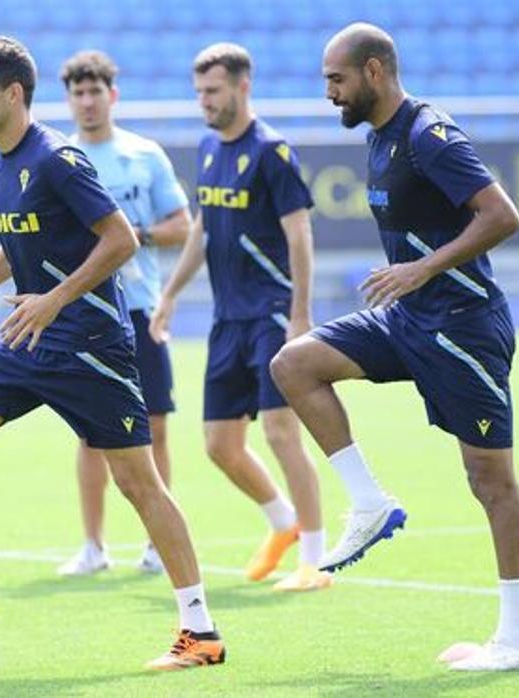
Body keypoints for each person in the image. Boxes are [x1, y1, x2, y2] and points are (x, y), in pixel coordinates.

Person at [0, 36, 225, 671]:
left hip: (88, 346)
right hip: (29, 341)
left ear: (13, 94)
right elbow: (14, 243)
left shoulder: (59, 159)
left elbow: (121, 241)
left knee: (138, 484)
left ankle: (199, 631)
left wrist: (56, 299)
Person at [270, 23, 519, 670]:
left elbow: (502, 214)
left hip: (463, 327)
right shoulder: (382, 138)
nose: (329, 93)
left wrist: (422, 269)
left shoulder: (427, 135)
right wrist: (413, 280)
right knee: (295, 363)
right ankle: (367, 501)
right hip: (410, 320)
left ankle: (515, 639)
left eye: (336, 80)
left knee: (490, 481)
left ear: (374, 72)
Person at [150, 42, 329, 592]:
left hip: (271, 314)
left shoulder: (272, 152)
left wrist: (300, 314)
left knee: (280, 432)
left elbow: (300, 234)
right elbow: (201, 230)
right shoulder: (208, 149)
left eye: (213, 90)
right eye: (199, 91)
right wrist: (171, 293)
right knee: (219, 446)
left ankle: (316, 561)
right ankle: (283, 525)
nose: (204, 100)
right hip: (228, 320)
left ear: (242, 87)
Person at [54, 49, 190, 577]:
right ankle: (93, 546)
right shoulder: (62, 159)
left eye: (95, 92)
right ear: (68, 100)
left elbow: (182, 225)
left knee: (154, 427)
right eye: (78, 93)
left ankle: (157, 544)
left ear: (112, 96)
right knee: (90, 433)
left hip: (139, 308)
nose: (87, 102)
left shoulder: (143, 155)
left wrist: (133, 238)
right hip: (87, 311)